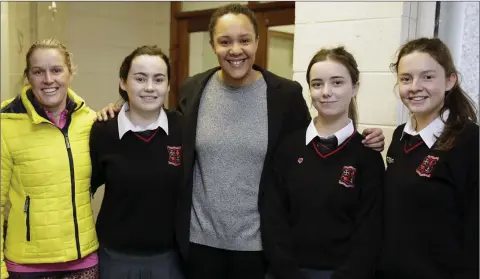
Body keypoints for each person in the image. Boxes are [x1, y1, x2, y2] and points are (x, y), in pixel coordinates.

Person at [96, 4, 386, 278]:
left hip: (258, 247)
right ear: (213, 46)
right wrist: (120, 108)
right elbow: (157, 118)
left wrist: (361, 139)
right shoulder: (194, 88)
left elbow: (314, 140)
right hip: (199, 244)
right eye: (224, 41)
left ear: (257, 42)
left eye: (245, 40)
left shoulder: (284, 95)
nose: (235, 50)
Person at [263, 46, 385, 279]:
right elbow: (273, 216)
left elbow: (370, 229)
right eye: (317, 84)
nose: (326, 92)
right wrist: (287, 271)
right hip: (286, 272)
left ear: (355, 87)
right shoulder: (288, 147)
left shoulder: (367, 154)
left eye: (337, 82)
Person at [375, 37, 479, 279]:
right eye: (406, 78)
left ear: (450, 80)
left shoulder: (471, 141)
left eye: (428, 77)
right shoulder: (401, 136)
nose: (414, 87)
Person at [1, 39, 99, 279]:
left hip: (83, 261)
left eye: (56, 70)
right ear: (28, 76)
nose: (48, 80)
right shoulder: (6, 123)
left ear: (70, 72)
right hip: (27, 266)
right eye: (38, 72)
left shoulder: (91, 122)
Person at [89, 46, 184, 279]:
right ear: (123, 82)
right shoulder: (103, 131)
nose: (150, 87)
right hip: (115, 258)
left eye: (159, 79)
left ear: (169, 85)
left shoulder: (183, 128)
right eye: (140, 79)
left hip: (169, 259)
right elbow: (82, 191)